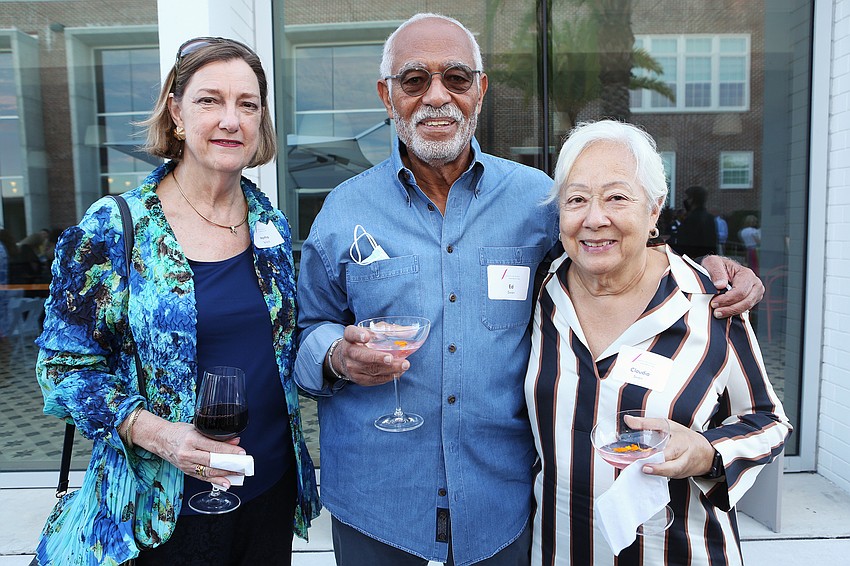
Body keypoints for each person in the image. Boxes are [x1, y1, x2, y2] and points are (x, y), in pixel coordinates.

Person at [295, 13, 764, 566]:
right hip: (379, 508)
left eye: (457, 79)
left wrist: (704, 269)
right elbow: (306, 331)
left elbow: (606, 257)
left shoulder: (536, 201)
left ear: (481, 90)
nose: (437, 97)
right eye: (415, 80)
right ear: (387, 94)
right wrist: (335, 357)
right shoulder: (343, 209)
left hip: (500, 508)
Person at [33, 37, 320, 565]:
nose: (231, 120)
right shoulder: (116, 227)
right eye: (210, 100)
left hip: (268, 493)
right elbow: (62, 368)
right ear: (177, 113)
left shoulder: (269, 224)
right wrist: (159, 435)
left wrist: (340, 351)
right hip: (158, 511)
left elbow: (280, 345)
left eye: (247, 104)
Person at [525, 120, 791, 565]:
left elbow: (768, 419)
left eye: (616, 197)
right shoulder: (541, 294)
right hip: (557, 550)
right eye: (576, 199)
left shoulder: (708, 301)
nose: (594, 218)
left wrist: (707, 452)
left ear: (654, 210)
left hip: (678, 552)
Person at [670, 185, 717, 259]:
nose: (685, 201)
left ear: (692, 199)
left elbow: (684, 243)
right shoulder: (709, 217)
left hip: (692, 260)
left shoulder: (692, 219)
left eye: (687, 198)